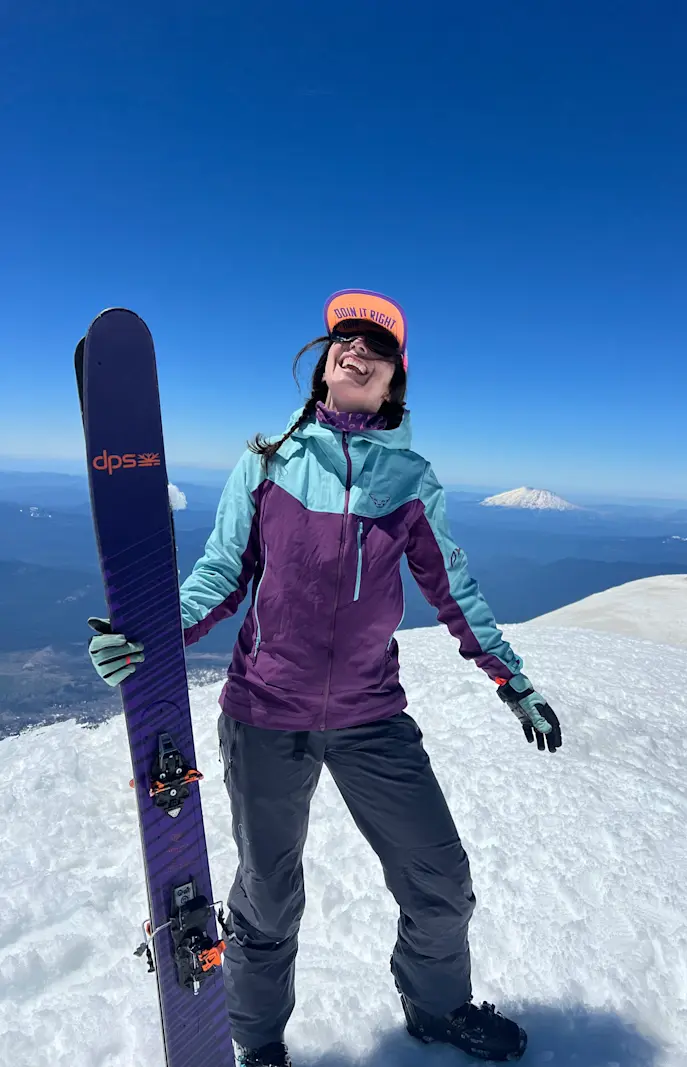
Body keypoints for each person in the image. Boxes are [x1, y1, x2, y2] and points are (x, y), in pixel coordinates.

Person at [88, 289, 562, 1067]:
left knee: (440, 875)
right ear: (325, 359)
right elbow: (220, 573)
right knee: (268, 897)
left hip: (371, 714)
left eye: (376, 346)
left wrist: (512, 680)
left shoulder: (409, 479)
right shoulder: (268, 460)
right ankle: (259, 1043)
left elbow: (455, 588)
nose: (357, 349)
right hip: (265, 711)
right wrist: (148, 639)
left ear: (393, 380)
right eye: (346, 336)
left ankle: (438, 1009)